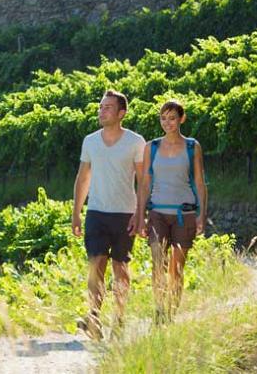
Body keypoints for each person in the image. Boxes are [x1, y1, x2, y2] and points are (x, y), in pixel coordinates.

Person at [72, 90, 146, 340]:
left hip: (125, 214)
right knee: (96, 265)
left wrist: (140, 213)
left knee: (120, 268)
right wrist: (76, 213)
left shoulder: (136, 142)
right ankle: (93, 317)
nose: (101, 111)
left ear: (121, 113)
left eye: (107, 107)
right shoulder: (90, 141)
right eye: (100, 107)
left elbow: (143, 180)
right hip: (96, 212)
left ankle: (120, 319)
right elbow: (83, 177)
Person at [137, 100, 208, 323]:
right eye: (163, 118)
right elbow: (145, 183)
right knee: (159, 264)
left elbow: (199, 182)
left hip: (183, 214)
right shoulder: (152, 147)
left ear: (181, 119)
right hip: (157, 212)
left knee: (176, 269)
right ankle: (159, 311)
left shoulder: (192, 146)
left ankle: (171, 314)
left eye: (172, 118)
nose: (167, 123)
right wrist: (140, 216)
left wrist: (201, 215)